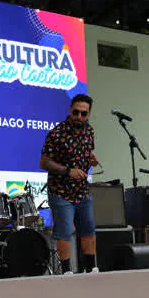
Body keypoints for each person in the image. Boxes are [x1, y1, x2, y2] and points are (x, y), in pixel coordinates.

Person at [39, 94, 99, 274]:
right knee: (64, 232)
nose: (79, 117)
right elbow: (44, 162)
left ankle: (91, 268)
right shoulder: (57, 133)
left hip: (82, 190)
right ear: (70, 110)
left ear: (88, 115)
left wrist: (92, 160)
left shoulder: (89, 131)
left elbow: (87, 154)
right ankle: (66, 271)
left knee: (88, 229)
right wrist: (68, 171)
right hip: (61, 191)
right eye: (76, 112)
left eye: (83, 114)